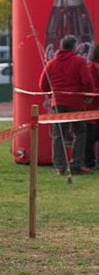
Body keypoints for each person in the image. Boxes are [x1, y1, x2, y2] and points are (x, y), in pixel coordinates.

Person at [39, 35, 96, 175]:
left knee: (58, 135)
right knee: (80, 132)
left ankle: (60, 167)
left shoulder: (51, 63)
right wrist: (88, 96)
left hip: (58, 103)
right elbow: (87, 81)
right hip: (76, 103)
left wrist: (51, 94)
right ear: (74, 47)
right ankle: (76, 164)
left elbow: (42, 84)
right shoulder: (79, 61)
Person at [85, 44, 99, 169]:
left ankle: (90, 161)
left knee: (89, 137)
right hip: (93, 107)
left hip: (91, 108)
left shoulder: (90, 67)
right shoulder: (91, 68)